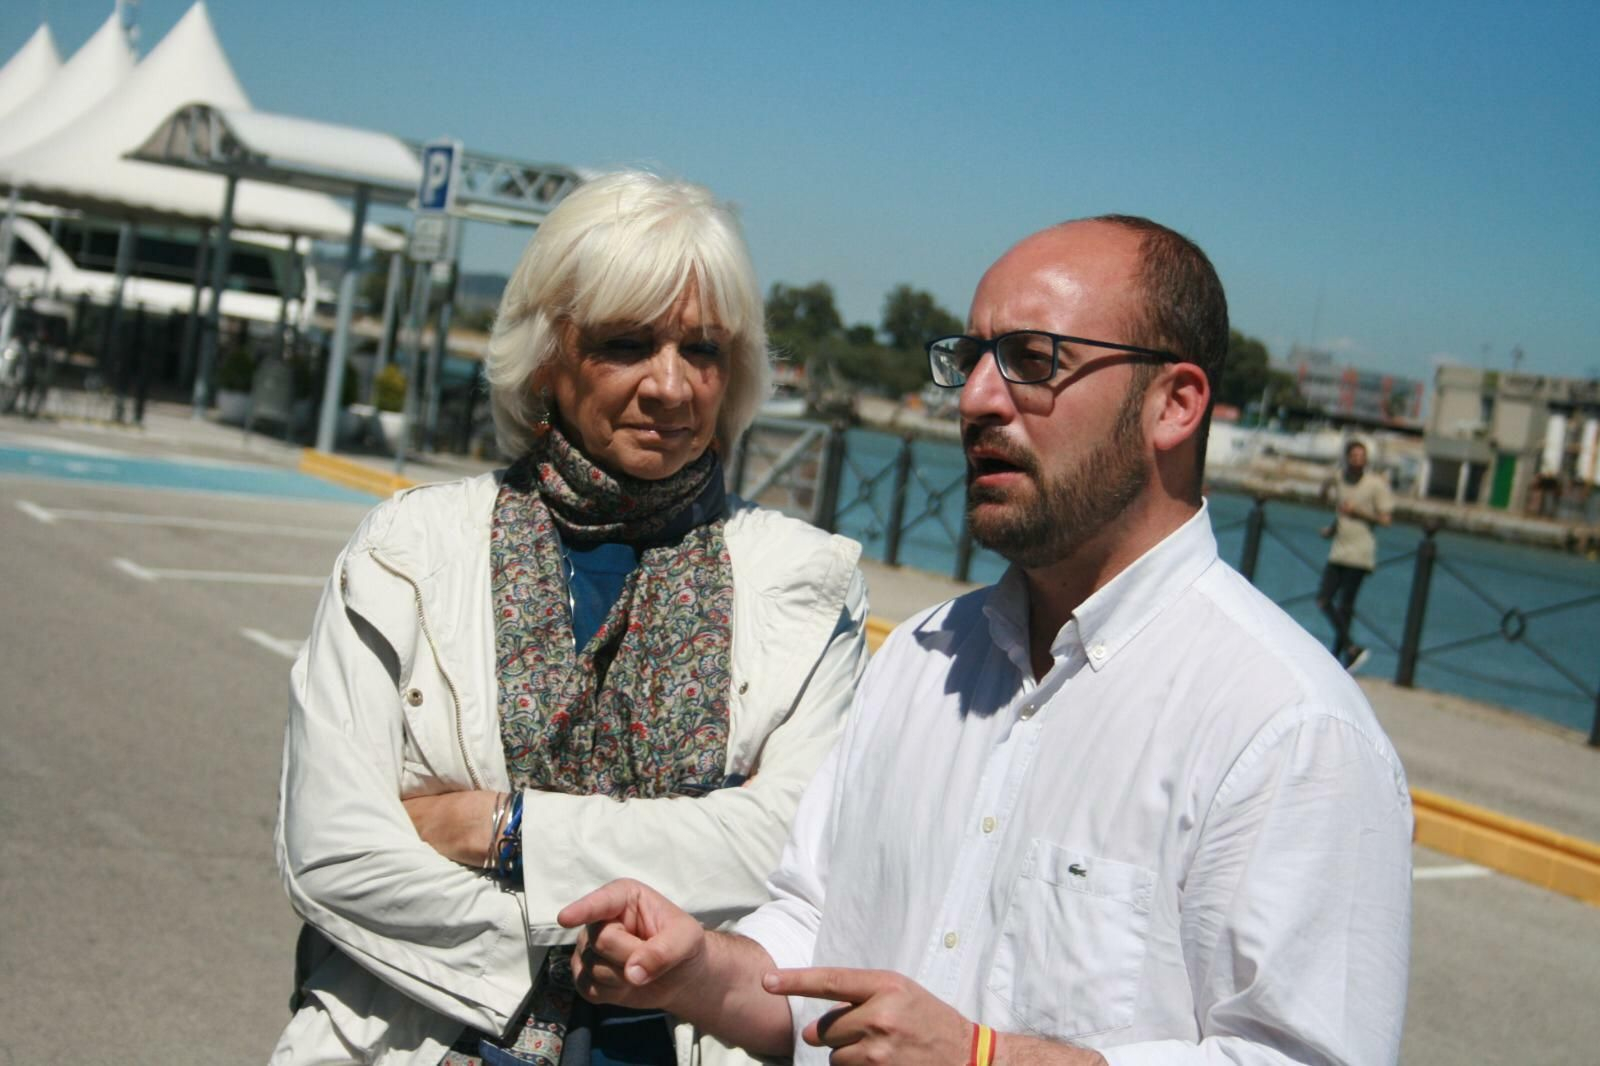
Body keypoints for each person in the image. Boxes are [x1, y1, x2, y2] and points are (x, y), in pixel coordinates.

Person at [560, 216, 1414, 1065]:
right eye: (970, 361)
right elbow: (814, 932)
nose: (975, 399)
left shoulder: (1289, 729)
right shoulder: (921, 658)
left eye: (1033, 362)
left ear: (1175, 404)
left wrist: (986, 1059)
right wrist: (698, 969)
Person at [271, 171, 870, 1066]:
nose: (670, 386)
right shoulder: (409, 549)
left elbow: (783, 854)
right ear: (550, 353)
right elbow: (334, 852)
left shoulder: (810, 584)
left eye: (701, 350)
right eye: (627, 344)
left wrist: (505, 831)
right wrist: (613, 951)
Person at [1317, 438, 1394, 672]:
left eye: (1362, 456)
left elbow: (1386, 519)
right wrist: (1332, 527)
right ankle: (1347, 652)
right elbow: (1331, 504)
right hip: (1339, 549)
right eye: (1354, 456)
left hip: (1360, 553)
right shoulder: (1340, 479)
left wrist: (1358, 512)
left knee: (1344, 606)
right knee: (1324, 599)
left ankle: (1341, 655)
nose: (1358, 460)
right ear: (1347, 458)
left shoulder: (1375, 484)